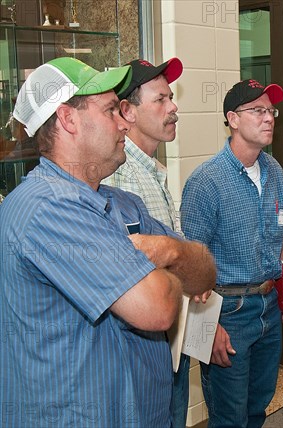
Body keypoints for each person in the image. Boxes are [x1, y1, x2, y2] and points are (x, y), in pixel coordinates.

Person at [0, 57, 216, 427]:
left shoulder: (121, 202)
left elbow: (204, 275)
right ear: (68, 119)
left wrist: (170, 250)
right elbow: (158, 308)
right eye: (111, 110)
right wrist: (167, 266)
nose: (123, 121)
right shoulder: (46, 207)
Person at [180, 79, 283, 427]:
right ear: (232, 118)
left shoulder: (273, 170)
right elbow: (189, 264)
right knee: (229, 417)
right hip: (227, 313)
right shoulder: (206, 181)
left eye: (271, 111)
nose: (269, 118)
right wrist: (207, 326)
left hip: (268, 307)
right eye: (258, 111)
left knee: (257, 408)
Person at [101, 57, 192, 428]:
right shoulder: (119, 175)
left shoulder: (152, 171)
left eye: (171, 98)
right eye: (160, 100)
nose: (173, 108)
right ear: (128, 111)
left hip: (169, 338)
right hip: (142, 346)